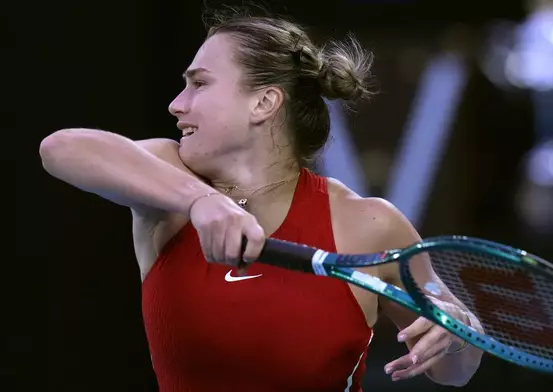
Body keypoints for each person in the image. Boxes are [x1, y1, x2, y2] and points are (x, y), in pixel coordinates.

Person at [39, 7, 483, 392]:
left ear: (264, 102)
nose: (177, 104)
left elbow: (455, 369)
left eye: (199, 84)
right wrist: (199, 201)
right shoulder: (167, 183)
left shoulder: (367, 224)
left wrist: (458, 333)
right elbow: (61, 148)